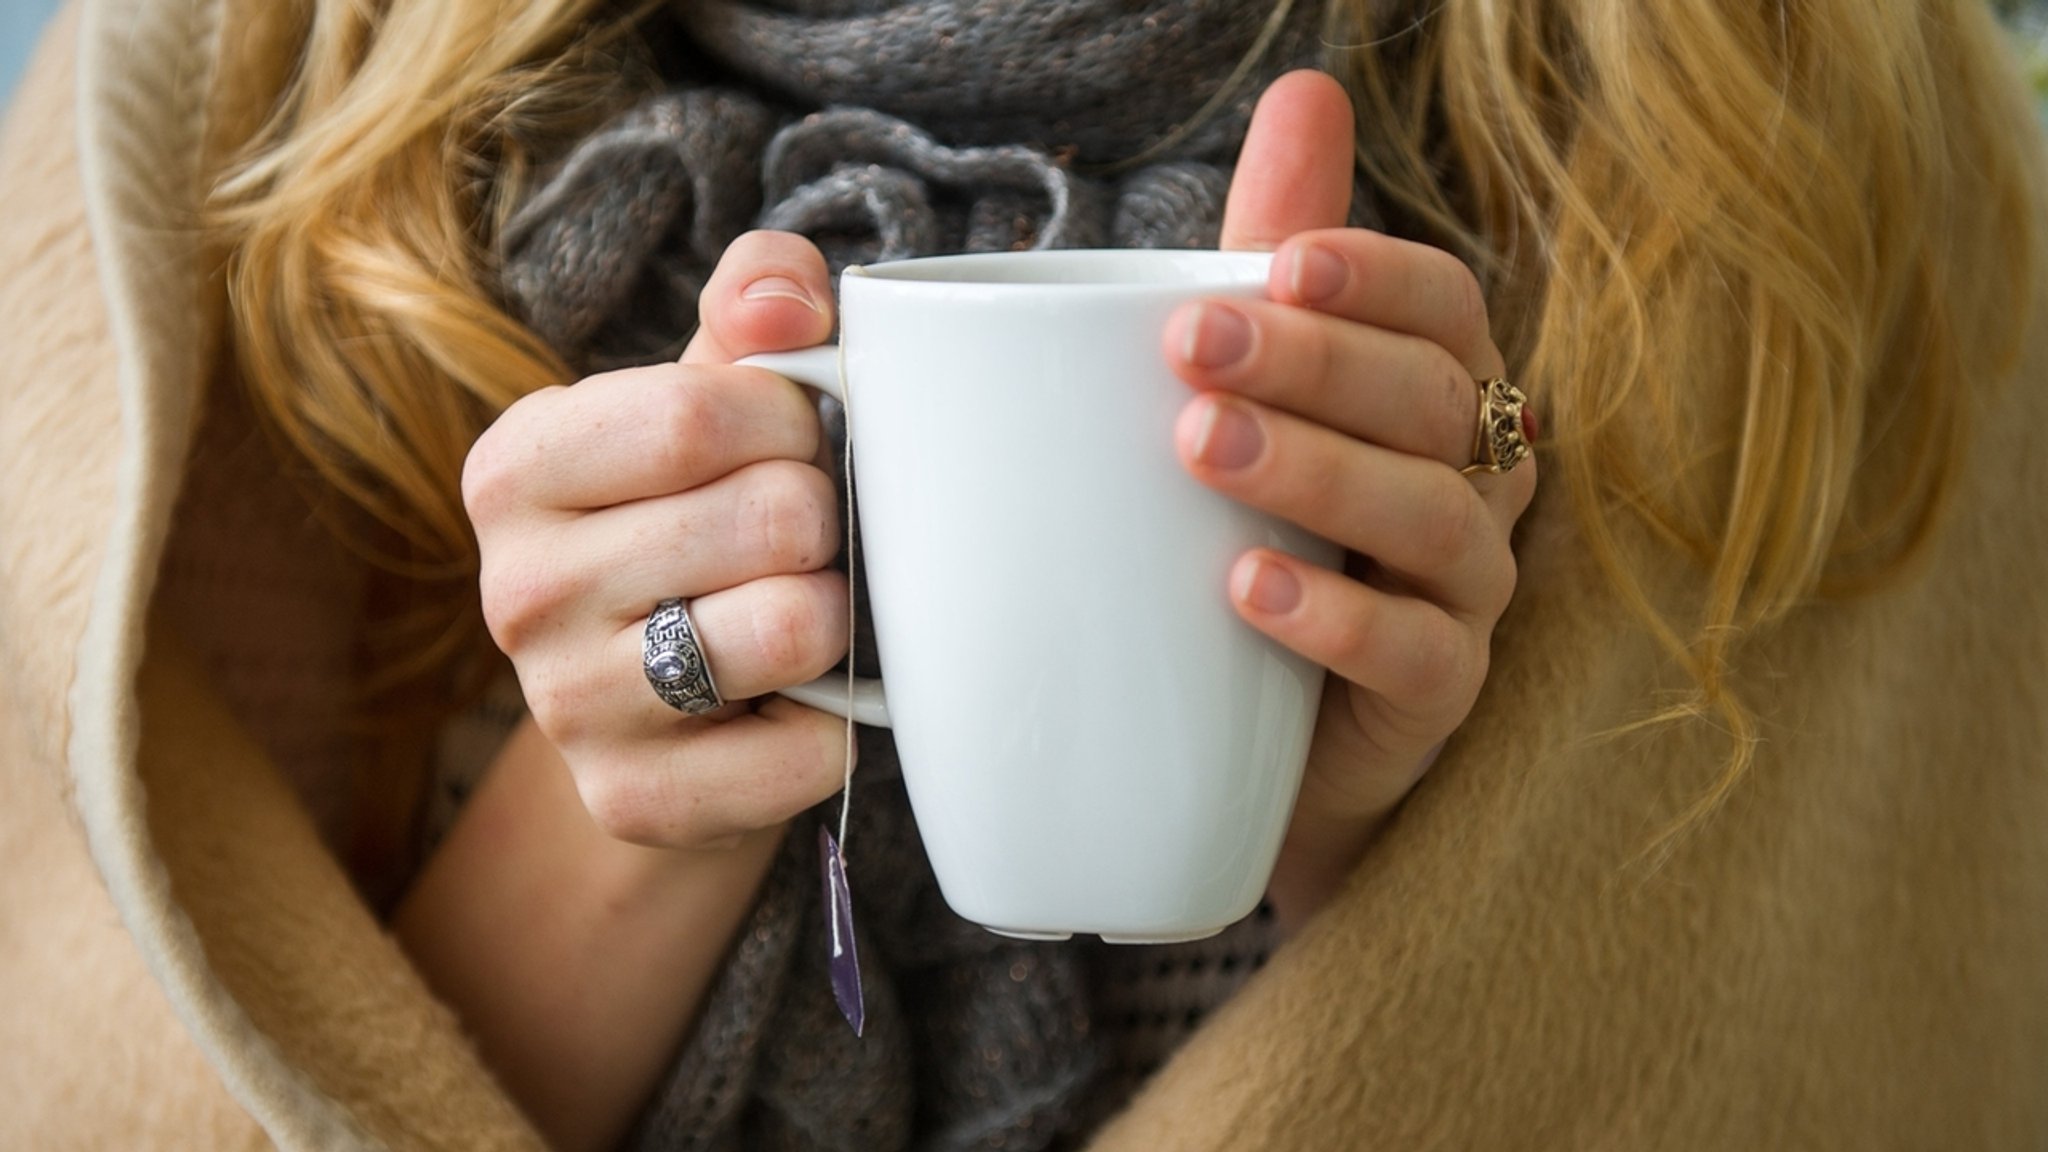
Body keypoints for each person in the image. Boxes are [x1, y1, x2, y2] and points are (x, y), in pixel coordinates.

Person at [1, 1, 2044, 1150]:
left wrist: (1410, 833)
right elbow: (151, 1078)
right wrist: (672, 752)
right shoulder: (237, 96)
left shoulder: (1807, 136)